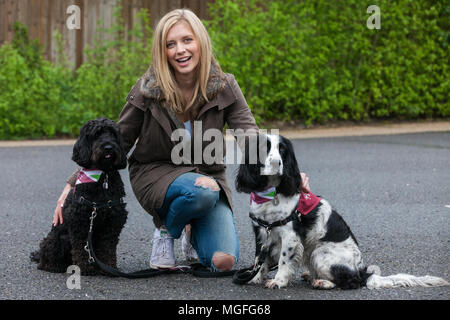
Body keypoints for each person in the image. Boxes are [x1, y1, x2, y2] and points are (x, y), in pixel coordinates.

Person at [53, 9, 310, 272]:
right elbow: (117, 140)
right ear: (162, 51)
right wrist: (75, 182)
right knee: (202, 191)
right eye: (170, 44)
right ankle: (166, 232)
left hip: (208, 177)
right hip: (155, 173)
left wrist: (286, 169)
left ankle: (191, 229)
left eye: (187, 40)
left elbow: (250, 136)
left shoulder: (225, 86)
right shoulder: (147, 88)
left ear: (201, 42)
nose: (180, 50)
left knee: (223, 262)